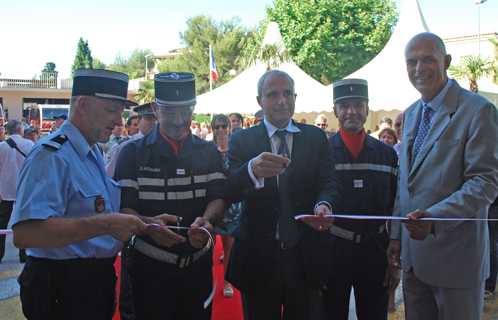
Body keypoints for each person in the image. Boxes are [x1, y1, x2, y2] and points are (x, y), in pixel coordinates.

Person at [11, 69, 147, 319]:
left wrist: (146, 223)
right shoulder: (51, 155)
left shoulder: (90, 150)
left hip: (90, 281)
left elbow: (95, 210)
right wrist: (105, 224)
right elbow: (25, 234)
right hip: (62, 286)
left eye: (121, 112)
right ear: (83, 104)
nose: (119, 121)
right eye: (111, 110)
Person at [387, 32, 498, 320]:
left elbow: (485, 183)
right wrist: (397, 236)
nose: (419, 68)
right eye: (412, 61)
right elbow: (405, 182)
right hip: (413, 259)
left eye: (428, 59)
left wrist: (435, 218)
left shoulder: (478, 110)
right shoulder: (410, 114)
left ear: (446, 61)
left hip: (457, 262)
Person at [224, 70, 341, 320]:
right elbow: (230, 190)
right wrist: (251, 170)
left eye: (287, 94)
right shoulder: (241, 140)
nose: (281, 100)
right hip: (258, 257)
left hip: (305, 256)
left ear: (295, 97)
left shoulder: (316, 137)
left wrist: (324, 204)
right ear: (259, 101)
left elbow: (329, 181)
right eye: (273, 95)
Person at [114, 72, 226, 320]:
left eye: (185, 111)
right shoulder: (132, 153)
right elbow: (125, 207)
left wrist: (208, 221)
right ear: (155, 109)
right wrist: (147, 226)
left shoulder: (209, 152)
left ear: (194, 109)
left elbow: (218, 197)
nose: (178, 120)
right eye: (169, 112)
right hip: (149, 271)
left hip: (198, 270)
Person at [318, 79, 399, 320]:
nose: (351, 111)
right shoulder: (321, 153)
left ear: (367, 109)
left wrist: (395, 262)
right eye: (344, 105)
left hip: (375, 251)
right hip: (333, 249)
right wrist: (314, 263)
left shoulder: (386, 154)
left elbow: (397, 207)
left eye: (358, 104)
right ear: (335, 111)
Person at [104, 102, 157, 320]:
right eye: (147, 119)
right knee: (131, 288)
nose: (152, 123)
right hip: (132, 223)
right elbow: (107, 182)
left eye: (155, 119)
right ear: (138, 122)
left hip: (158, 225)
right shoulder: (124, 148)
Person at [210, 114, 241, 299]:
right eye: (216, 127)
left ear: (230, 127)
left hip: (232, 204)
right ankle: (207, 280)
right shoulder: (208, 150)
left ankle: (227, 281)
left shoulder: (236, 150)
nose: (220, 130)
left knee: (229, 245)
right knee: (208, 244)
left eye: (224, 126)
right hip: (211, 202)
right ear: (212, 129)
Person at [0, 119, 34, 263]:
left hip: (4, 191)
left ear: (7, 131)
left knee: (2, 224)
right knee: (24, 223)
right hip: (24, 190)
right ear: (21, 130)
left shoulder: (1, 146)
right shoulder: (30, 145)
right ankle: (24, 254)